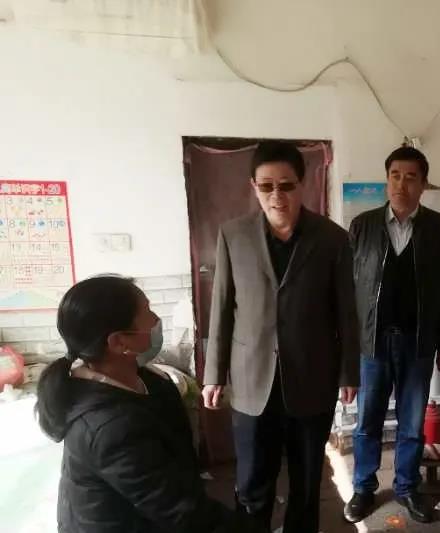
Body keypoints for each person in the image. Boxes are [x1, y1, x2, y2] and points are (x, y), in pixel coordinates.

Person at [202, 140, 360, 533]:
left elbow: (346, 312)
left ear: (302, 185)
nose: (277, 195)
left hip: (312, 377)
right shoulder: (233, 235)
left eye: (286, 185)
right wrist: (213, 374)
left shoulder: (332, 239)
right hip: (251, 379)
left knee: (307, 483)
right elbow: (221, 308)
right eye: (267, 186)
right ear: (254, 187)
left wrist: (348, 372)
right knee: (252, 484)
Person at [35, 275, 233, 533]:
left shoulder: (146, 379)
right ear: (119, 342)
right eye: (147, 312)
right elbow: (180, 511)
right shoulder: (109, 427)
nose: (156, 320)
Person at [344, 146, 440, 524]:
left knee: (411, 424)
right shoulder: (362, 226)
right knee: (367, 422)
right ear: (386, 180)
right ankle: (363, 488)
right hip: (372, 343)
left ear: (423, 184)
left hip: (418, 343)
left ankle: (408, 487)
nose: (401, 184)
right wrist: (346, 350)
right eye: (395, 175)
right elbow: (346, 292)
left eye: (411, 177)